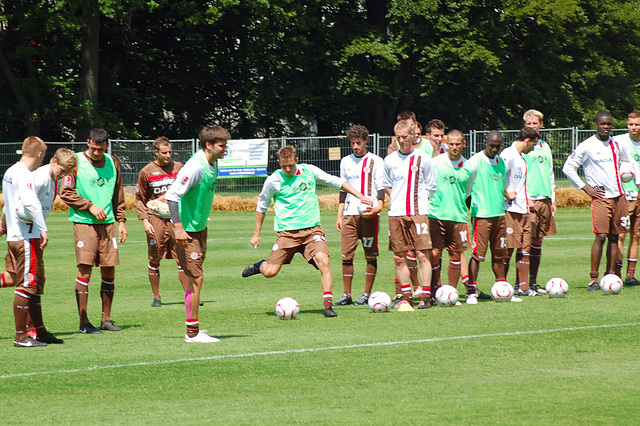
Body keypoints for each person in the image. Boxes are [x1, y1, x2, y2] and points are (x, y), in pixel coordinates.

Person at [242, 145, 372, 318]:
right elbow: (262, 206)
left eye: (290, 165)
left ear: (297, 160)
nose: (287, 169)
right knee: (270, 272)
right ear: (278, 162)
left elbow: (337, 181)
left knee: (323, 262)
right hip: (287, 234)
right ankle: (261, 265)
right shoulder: (273, 180)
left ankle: (327, 306)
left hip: (312, 231)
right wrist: (256, 233)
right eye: (284, 166)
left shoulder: (309, 171)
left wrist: (360, 196)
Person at [165, 125, 230, 343]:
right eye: (222, 145)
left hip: (199, 228)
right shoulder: (195, 167)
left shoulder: (213, 163)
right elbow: (172, 195)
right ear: (208, 145)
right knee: (197, 278)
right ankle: (192, 333)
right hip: (187, 231)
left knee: (193, 277)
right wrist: (178, 227)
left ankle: (193, 328)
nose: (225, 149)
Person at [60, 128, 128, 334]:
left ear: (106, 145)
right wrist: (89, 206)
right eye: (93, 147)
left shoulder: (113, 162)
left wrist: (122, 221)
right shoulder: (76, 162)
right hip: (84, 223)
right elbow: (65, 192)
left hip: (108, 224)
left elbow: (118, 194)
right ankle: (84, 322)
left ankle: (106, 319)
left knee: (109, 270)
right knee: (85, 271)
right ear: (88, 142)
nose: (96, 152)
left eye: (100, 148)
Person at [563, 111, 638, 291]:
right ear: (596, 124)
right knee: (601, 236)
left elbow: (630, 164)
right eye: (603, 123)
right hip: (601, 197)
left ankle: (610, 276)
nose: (606, 127)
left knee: (615, 236)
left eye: (609, 124)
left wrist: (631, 176)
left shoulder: (617, 144)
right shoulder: (587, 145)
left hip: (619, 196)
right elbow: (568, 167)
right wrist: (586, 188)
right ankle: (593, 279)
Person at [1, 138, 60, 347]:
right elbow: (30, 202)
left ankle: (38, 331)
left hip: (15, 236)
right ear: (39, 154)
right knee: (26, 284)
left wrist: (3, 225)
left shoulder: (9, 172)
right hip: (26, 235)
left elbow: (7, 204)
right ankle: (21, 337)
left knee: (28, 282)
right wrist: (43, 228)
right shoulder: (24, 174)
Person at [383, 120, 436, 309]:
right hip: (396, 214)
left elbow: (431, 186)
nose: (402, 141)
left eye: (405, 137)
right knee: (399, 257)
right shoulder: (389, 160)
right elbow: (386, 184)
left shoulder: (424, 159)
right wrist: (396, 199)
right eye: (398, 138)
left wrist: (420, 201)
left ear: (414, 136)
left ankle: (426, 296)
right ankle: (406, 296)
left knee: (422, 254)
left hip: (418, 213)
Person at [465, 131, 521, 302]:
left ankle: (502, 287)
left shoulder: (501, 163)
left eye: (498, 146)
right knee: (477, 254)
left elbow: (500, 185)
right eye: (492, 146)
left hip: (499, 214)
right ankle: (471, 291)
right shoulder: (474, 162)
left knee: (500, 254)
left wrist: (505, 198)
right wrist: (474, 210)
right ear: (485, 143)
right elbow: (466, 190)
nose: (495, 149)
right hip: (482, 215)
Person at [333, 125, 385, 307]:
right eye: (353, 143)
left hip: (369, 214)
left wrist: (378, 208)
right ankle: (346, 294)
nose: (355, 146)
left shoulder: (376, 161)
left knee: (370, 255)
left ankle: (366, 294)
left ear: (366, 141)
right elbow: (342, 188)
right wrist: (339, 215)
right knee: (346, 256)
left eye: (358, 143)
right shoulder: (345, 161)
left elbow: (380, 189)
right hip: (349, 214)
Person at [136, 136, 190, 307]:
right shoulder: (147, 171)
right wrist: (144, 220)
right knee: (154, 257)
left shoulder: (180, 168)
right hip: (156, 219)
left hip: (176, 219)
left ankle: (189, 295)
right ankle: (156, 297)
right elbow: (140, 198)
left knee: (182, 256)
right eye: (164, 152)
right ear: (156, 152)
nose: (168, 155)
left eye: (170, 152)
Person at [427, 130, 472, 303]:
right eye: (451, 144)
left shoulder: (468, 166)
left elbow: (467, 191)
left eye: (457, 144)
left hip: (458, 216)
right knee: (435, 253)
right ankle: (434, 290)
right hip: (436, 215)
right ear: (446, 143)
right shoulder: (435, 163)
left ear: (463, 144)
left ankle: (451, 293)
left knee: (455, 255)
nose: (454, 147)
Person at [500, 127, 540, 297]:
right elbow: (497, 177)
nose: (533, 148)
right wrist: (506, 193)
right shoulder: (507, 155)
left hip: (523, 209)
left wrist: (527, 198)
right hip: (510, 210)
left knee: (525, 248)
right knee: (509, 249)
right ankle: (502, 286)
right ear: (527, 141)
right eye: (534, 144)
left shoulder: (521, 158)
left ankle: (523, 287)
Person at [522, 109, 556, 294]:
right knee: (525, 242)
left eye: (535, 123)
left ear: (541, 125)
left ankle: (533, 282)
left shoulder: (545, 146)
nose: (532, 126)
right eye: (529, 123)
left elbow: (550, 174)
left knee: (538, 242)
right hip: (529, 200)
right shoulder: (521, 147)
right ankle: (522, 283)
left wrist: (553, 199)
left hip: (544, 199)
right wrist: (525, 196)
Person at [614, 110, 640, 286]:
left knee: (637, 234)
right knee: (621, 234)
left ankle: (630, 275)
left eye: (637, 124)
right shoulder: (619, 142)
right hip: (624, 195)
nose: (634, 127)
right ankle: (616, 273)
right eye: (631, 124)